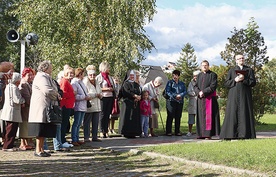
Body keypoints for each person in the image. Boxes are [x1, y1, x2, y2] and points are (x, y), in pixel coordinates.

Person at [28, 61, 61, 157]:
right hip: (41, 107)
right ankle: (38, 150)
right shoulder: (41, 77)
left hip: (46, 106)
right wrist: (57, 95)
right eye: (50, 67)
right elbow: (47, 90)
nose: (52, 69)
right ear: (45, 68)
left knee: (44, 129)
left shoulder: (46, 77)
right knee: (40, 129)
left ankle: (42, 149)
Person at [220, 55, 256, 140]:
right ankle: (230, 134)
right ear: (236, 60)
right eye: (239, 59)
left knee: (244, 111)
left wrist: (244, 80)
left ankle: (245, 134)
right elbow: (226, 83)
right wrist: (235, 80)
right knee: (232, 112)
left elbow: (253, 82)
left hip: (245, 95)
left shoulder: (249, 70)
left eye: (243, 58)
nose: (241, 60)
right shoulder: (232, 70)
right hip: (234, 95)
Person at [194, 60, 220, 139]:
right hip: (200, 99)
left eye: (206, 65)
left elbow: (213, 86)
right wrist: (198, 92)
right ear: (201, 67)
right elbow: (195, 86)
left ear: (208, 66)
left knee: (208, 117)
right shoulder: (199, 75)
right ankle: (201, 134)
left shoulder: (213, 75)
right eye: (203, 65)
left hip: (209, 99)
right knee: (200, 116)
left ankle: (208, 134)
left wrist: (203, 92)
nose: (204, 67)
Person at [1, 72, 25, 151]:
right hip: (12, 111)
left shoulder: (9, 86)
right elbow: (17, 100)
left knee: (9, 129)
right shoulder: (14, 88)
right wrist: (23, 100)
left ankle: (8, 145)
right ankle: (7, 146)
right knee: (11, 129)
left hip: (9, 110)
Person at [71, 68, 91, 146]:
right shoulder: (74, 83)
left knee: (79, 123)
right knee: (76, 123)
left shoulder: (81, 82)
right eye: (82, 74)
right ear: (80, 74)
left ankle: (77, 138)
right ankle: (74, 139)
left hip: (83, 105)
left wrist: (87, 96)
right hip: (78, 105)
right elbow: (75, 96)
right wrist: (84, 97)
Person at [120, 70, 142, 138]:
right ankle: (127, 133)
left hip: (135, 103)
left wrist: (139, 97)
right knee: (128, 118)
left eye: (133, 75)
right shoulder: (126, 84)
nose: (132, 77)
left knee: (134, 118)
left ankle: (134, 132)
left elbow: (140, 91)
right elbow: (126, 92)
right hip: (128, 103)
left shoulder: (136, 84)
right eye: (131, 75)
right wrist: (134, 96)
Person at [83, 65, 102, 142]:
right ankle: (86, 137)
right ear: (88, 75)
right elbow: (85, 94)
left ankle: (95, 136)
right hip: (89, 106)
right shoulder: (85, 82)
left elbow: (100, 91)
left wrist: (100, 95)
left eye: (94, 75)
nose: (92, 76)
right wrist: (95, 95)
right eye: (90, 75)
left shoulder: (97, 82)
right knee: (87, 122)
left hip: (97, 105)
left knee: (95, 122)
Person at [96, 61, 115, 138]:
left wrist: (112, 89)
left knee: (108, 114)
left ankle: (106, 131)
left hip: (110, 97)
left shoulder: (110, 77)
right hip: (103, 97)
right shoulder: (99, 77)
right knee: (102, 114)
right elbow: (97, 88)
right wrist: (106, 89)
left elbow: (113, 86)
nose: (109, 69)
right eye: (108, 67)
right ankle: (101, 131)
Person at [165, 70, 186, 136]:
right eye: (173, 75)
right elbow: (168, 91)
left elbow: (185, 91)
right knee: (170, 116)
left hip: (180, 102)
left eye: (176, 75)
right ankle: (168, 131)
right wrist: (175, 96)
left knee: (178, 116)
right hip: (171, 101)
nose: (175, 77)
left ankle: (177, 131)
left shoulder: (182, 83)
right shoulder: (170, 83)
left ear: (179, 76)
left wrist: (180, 95)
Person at [18, 68, 35, 150]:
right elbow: (27, 98)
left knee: (27, 125)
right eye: (29, 75)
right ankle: (23, 143)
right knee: (24, 125)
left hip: (29, 109)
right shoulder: (24, 84)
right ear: (24, 75)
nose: (31, 77)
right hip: (26, 109)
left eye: (32, 75)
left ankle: (27, 142)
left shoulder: (28, 84)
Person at [59, 66, 75, 148]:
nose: (71, 75)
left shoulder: (68, 82)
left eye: (72, 73)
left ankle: (63, 139)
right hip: (65, 105)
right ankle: (62, 140)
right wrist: (72, 94)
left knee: (65, 123)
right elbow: (62, 93)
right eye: (69, 73)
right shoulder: (64, 81)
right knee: (64, 124)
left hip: (68, 105)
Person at [186, 70, 201, 137]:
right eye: (194, 76)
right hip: (192, 101)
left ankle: (200, 131)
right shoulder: (191, 83)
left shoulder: (201, 82)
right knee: (191, 117)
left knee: (200, 117)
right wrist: (195, 94)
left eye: (196, 76)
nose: (195, 77)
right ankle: (189, 131)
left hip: (200, 101)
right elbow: (188, 91)